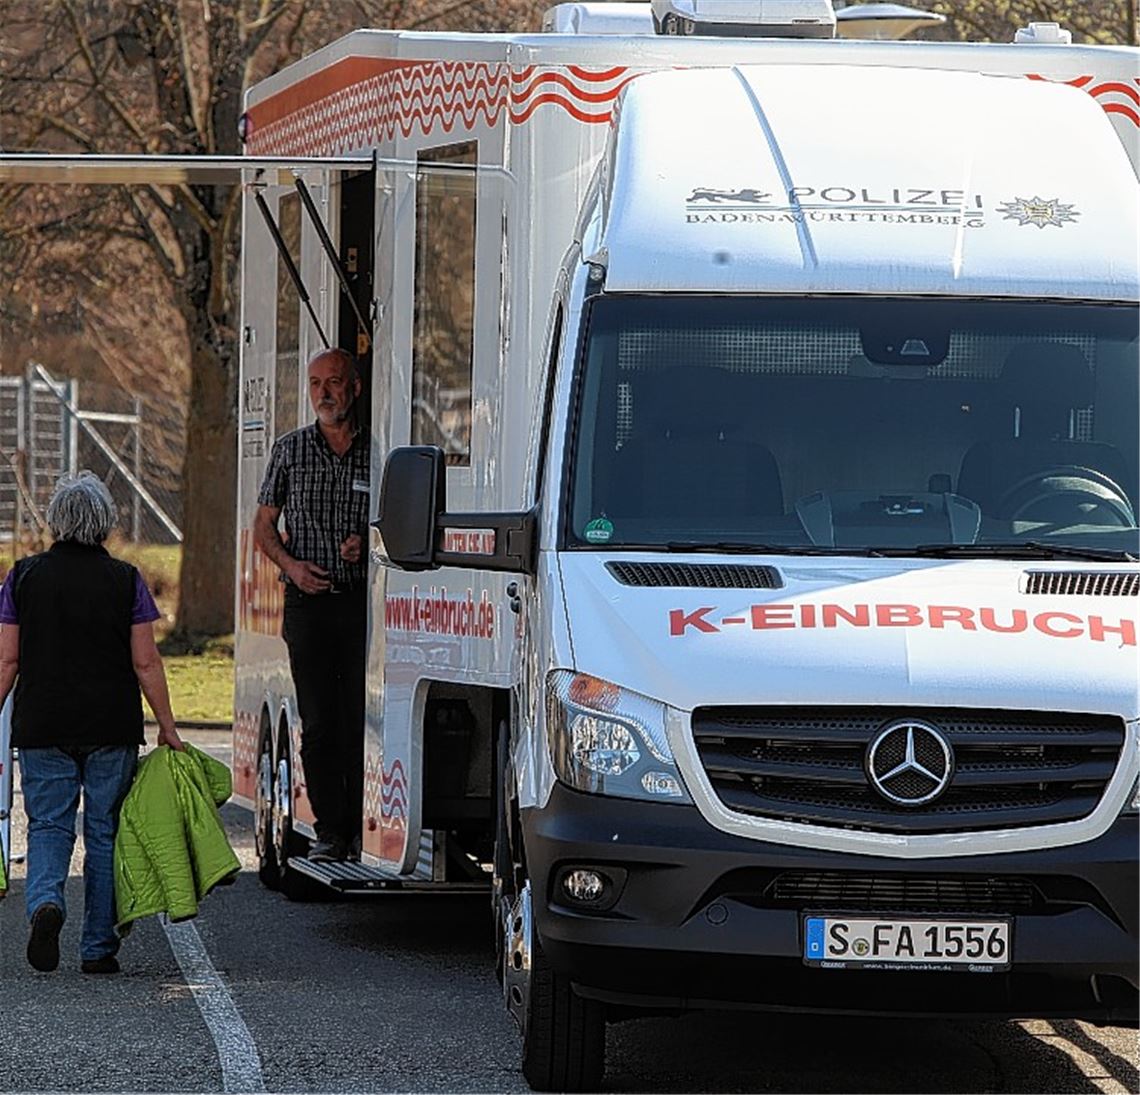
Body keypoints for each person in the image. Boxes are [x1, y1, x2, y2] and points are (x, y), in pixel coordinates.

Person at [0, 471, 184, 975]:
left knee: (49, 825)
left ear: (56, 521)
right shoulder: (126, 580)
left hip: (43, 724)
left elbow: (7, 660)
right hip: (110, 724)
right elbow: (146, 661)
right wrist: (167, 725)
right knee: (105, 831)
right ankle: (98, 947)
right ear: (104, 522)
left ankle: (45, 902)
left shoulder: (22, 577)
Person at [253, 347, 369, 863]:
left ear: (354, 389)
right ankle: (330, 831)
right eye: (315, 383)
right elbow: (263, 526)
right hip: (307, 605)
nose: (323, 393)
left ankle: (363, 828)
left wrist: (368, 542)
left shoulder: (377, 452)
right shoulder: (291, 450)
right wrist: (291, 566)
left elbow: (398, 520)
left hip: (361, 605)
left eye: (334, 383)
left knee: (358, 719)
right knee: (319, 721)